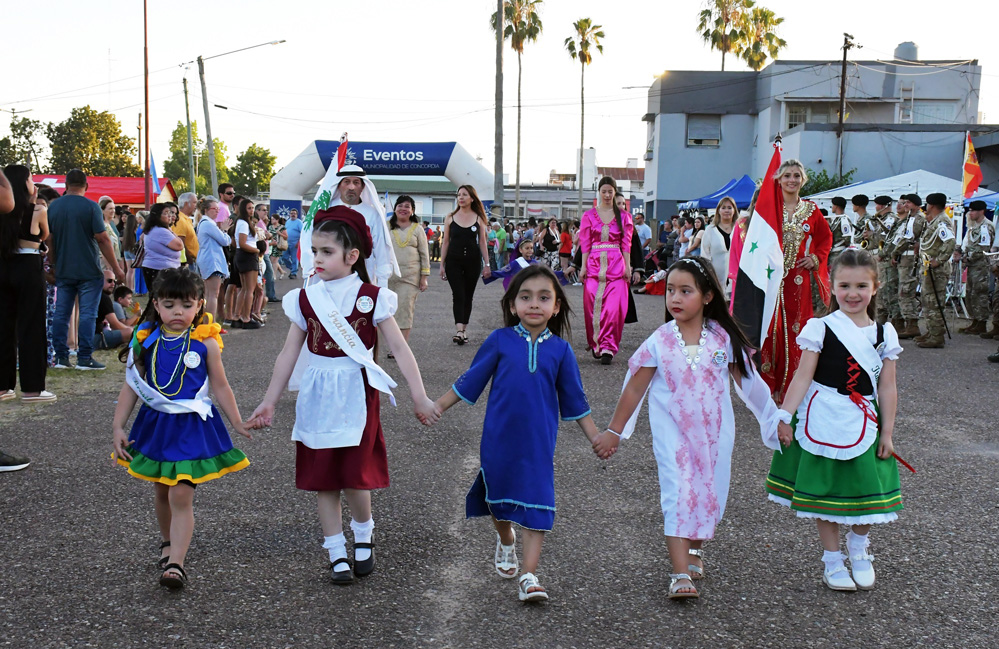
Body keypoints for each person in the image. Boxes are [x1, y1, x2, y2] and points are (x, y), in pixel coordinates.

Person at [248, 206, 438, 585]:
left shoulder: (372, 297)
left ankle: (363, 533)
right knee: (324, 478)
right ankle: (335, 549)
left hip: (356, 390)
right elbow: (289, 353)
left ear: (352, 256)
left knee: (354, 474)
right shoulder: (305, 299)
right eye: (314, 251)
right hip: (318, 393)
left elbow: (400, 349)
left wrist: (420, 396)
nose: (317, 258)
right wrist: (270, 400)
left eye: (326, 251)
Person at [594, 257, 785, 599]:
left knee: (709, 493)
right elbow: (635, 388)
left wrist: (774, 419)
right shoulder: (659, 340)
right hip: (673, 436)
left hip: (714, 435)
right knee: (678, 493)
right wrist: (615, 431)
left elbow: (751, 385)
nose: (675, 299)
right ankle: (679, 573)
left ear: (708, 296)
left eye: (686, 291)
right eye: (670, 291)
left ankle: (695, 550)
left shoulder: (722, 339)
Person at [433, 265, 602, 602]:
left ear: (556, 307)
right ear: (512, 305)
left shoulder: (561, 351)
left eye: (543, 298)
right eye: (525, 298)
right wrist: (436, 406)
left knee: (538, 502)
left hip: (539, 443)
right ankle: (506, 539)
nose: (534, 304)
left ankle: (529, 574)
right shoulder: (499, 340)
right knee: (497, 501)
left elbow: (575, 398)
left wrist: (596, 437)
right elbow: (471, 379)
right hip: (498, 439)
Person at [765, 249, 903, 592]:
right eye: (844, 285)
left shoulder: (885, 333)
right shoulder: (820, 328)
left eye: (861, 285)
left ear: (875, 286)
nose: (852, 294)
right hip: (822, 415)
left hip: (865, 422)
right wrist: (784, 416)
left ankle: (858, 547)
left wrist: (887, 432)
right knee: (824, 491)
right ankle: (831, 560)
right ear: (832, 286)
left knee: (865, 487)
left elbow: (887, 387)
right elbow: (801, 376)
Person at [111, 269, 250, 590]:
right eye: (169, 304)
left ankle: (177, 563)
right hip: (156, 426)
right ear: (156, 305)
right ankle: (167, 542)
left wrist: (237, 421)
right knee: (162, 489)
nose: (178, 312)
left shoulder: (206, 344)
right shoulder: (145, 341)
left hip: (191, 428)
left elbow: (222, 386)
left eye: (186, 305)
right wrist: (118, 426)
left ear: (199, 305)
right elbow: (131, 388)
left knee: (181, 492)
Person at [757, 160, 832, 402]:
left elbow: (825, 238)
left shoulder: (811, 210)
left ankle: (791, 386)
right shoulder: (768, 207)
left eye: (796, 175)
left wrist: (815, 258)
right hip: (770, 277)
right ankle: (767, 385)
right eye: (787, 175)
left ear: (803, 180)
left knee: (796, 330)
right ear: (778, 179)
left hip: (797, 280)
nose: (792, 179)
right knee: (770, 328)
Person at [47, 169, 124, 371]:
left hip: (63, 268)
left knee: (61, 313)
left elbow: (50, 240)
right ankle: (84, 357)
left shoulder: (54, 208)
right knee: (88, 314)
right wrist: (117, 267)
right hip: (88, 269)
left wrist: (53, 264)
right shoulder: (91, 207)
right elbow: (102, 238)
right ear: (86, 186)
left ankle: (61, 357)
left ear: (65, 185)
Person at [0, 164, 54, 402]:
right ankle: (32, 388)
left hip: (3, 265)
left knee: (3, 326)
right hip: (28, 267)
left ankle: (3, 387)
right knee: (31, 326)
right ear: (24, 183)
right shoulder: (38, 209)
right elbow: (43, 236)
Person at [301, 165, 399, 288]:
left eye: (356, 182)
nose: (351, 187)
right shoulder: (325, 210)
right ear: (338, 185)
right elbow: (309, 241)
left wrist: (383, 283)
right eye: (346, 182)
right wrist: (309, 269)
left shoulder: (373, 214)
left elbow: (381, 250)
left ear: (363, 187)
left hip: (362, 274)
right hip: (329, 274)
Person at [578, 177, 633, 364]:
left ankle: (609, 347)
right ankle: (596, 344)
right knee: (592, 304)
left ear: (615, 192)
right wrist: (583, 266)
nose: (608, 195)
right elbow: (585, 244)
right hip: (593, 265)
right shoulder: (588, 216)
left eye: (611, 191)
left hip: (616, 266)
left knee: (613, 308)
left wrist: (628, 266)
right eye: (604, 191)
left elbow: (626, 244)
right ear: (599, 192)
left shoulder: (624, 216)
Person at [439, 185, 492, 345]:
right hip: (453, 261)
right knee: (458, 294)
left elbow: (482, 242)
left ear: (472, 198)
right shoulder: (450, 217)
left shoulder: (479, 218)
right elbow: (445, 242)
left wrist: (487, 264)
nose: (461, 197)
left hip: (473, 261)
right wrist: (442, 264)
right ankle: (459, 330)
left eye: (464, 195)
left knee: (468, 295)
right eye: (459, 195)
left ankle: (464, 330)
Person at [387, 195, 430, 348]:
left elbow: (425, 254)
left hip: (410, 278)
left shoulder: (418, 229)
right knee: (388, 312)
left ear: (412, 211)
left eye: (407, 206)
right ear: (394, 209)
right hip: (388, 277)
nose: (403, 209)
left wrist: (424, 278)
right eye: (400, 205)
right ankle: (392, 343)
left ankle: (400, 348)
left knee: (405, 311)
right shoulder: (386, 226)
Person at [914, 193, 956, 348]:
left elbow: (950, 242)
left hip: (936, 270)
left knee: (934, 303)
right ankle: (932, 331)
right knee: (928, 302)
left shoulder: (942, 221)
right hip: (929, 268)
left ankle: (937, 337)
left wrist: (938, 260)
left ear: (931, 205)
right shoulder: (935, 221)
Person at [195, 196, 232, 329]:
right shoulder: (208, 224)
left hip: (209, 259)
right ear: (206, 210)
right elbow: (225, 240)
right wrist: (225, 230)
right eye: (214, 209)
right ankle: (210, 324)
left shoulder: (205, 223)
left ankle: (208, 322)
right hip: (211, 260)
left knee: (210, 294)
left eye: (218, 209)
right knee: (212, 294)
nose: (217, 211)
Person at [892, 194, 925, 339]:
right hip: (904, 257)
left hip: (910, 258)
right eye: (905, 202)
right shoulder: (909, 219)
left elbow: (908, 238)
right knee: (903, 290)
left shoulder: (918, 219)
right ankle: (907, 323)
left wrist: (895, 251)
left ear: (917, 205)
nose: (905, 205)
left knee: (906, 291)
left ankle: (912, 324)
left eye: (909, 203)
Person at [958, 200, 993, 335]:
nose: (970, 213)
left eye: (973, 211)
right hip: (972, 265)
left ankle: (981, 322)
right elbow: (969, 244)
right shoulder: (973, 225)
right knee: (971, 294)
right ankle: (975, 321)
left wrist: (969, 257)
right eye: (970, 210)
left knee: (980, 294)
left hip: (981, 266)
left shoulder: (986, 226)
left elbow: (984, 248)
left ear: (981, 211)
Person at [231, 198, 262, 330]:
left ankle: (237, 316)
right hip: (248, 255)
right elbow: (243, 243)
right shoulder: (243, 223)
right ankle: (246, 318)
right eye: (249, 208)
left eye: (252, 208)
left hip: (242, 255)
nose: (252, 210)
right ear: (243, 209)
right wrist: (257, 250)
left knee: (244, 289)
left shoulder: (241, 222)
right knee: (250, 290)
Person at [139, 203, 183, 292]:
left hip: (158, 268)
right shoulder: (161, 231)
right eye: (166, 213)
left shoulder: (153, 229)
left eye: (170, 213)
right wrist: (170, 231)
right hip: (160, 270)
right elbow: (179, 245)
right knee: (162, 298)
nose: (170, 216)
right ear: (157, 216)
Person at [700, 197, 736, 297]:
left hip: (736, 279)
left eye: (729, 207)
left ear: (734, 210)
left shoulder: (740, 229)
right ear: (718, 210)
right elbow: (704, 254)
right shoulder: (710, 230)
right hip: (715, 278)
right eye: (723, 207)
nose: (727, 210)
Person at [93, 270, 133, 350]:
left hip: (86, 336)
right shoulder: (104, 298)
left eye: (114, 281)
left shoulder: (93, 294)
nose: (113, 284)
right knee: (131, 332)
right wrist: (132, 330)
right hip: (96, 338)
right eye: (109, 281)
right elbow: (115, 324)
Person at [174, 192, 200, 275]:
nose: (196, 205)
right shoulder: (180, 220)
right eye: (194, 202)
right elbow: (180, 242)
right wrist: (190, 261)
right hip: (188, 263)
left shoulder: (186, 219)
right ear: (186, 203)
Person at [98, 196, 124, 274]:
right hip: (105, 266)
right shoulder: (102, 226)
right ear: (102, 210)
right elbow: (101, 246)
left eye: (113, 208)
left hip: (113, 264)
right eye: (110, 209)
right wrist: (108, 265)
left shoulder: (110, 225)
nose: (113, 211)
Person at [826, 196, 853, 271]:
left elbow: (847, 238)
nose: (832, 207)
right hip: (833, 253)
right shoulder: (836, 219)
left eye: (833, 205)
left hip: (838, 253)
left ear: (836, 206)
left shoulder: (844, 219)